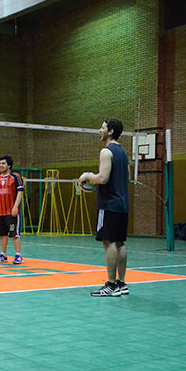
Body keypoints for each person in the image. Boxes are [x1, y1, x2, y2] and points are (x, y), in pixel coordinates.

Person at [79, 118, 129, 297]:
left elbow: (102, 178)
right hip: (123, 204)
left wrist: (87, 176)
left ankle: (110, 284)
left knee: (109, 243)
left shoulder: (106, 151)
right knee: (120, 243)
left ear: (111, 132)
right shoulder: (123, 152)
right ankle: (122, 284)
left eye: (102, 128)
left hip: (109, 204)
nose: (99, 131)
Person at [0, 155, 24, 264]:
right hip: (0, 211)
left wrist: (16, 206)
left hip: (11, 211)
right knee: (3, 234)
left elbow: (20, 192)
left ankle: (18, 255)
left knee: (14, 234)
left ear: (9, 165)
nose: (0, 166)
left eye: (3, 163)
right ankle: (3, 255)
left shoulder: (15, 177)